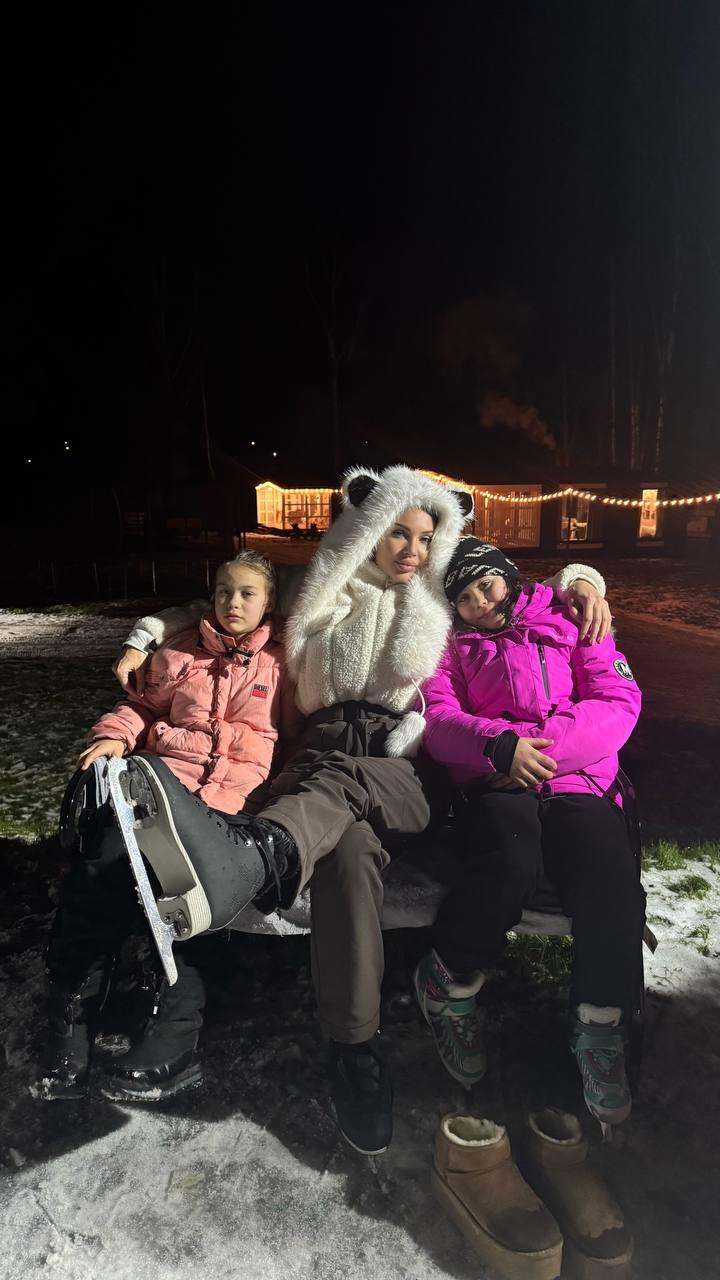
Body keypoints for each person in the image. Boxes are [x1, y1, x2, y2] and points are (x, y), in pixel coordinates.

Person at [109, 467, 611, 1154]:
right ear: (369, 529)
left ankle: (259, 853)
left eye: (425, 538)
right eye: (398, 533)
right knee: (347, 857)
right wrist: (145, 635)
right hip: (319, 754)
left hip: (405, 765)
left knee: (339, 793)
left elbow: (526, 590)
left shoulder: (442, 592)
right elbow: (224, 602)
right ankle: (355, 1050)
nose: (412, 550)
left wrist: (584, 577)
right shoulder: (323, 587)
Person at [43, 550, 298, 1101]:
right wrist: (114, 736)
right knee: (100, 870)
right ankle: (73, 1013)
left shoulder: (284, 665)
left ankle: (175, 1032)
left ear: (269, 603)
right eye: (224, 590)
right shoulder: (181, 653)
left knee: (187, 892)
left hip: (230, 803)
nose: (233, 602)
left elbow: (298, 738)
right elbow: (140, 708)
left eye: (247, 593)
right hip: (162, 790)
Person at [414, 538, 644, 1134]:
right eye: (464, 597)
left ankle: (599, 1028)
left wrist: (543, 751)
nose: (479, 602)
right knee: (508, 863)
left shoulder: (572, 617)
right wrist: (498, 745)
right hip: (498, 774)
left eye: (485, 584)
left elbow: (617, 699)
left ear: (509, 576)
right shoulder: (450, 646)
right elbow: (438, 717)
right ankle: (448, 981)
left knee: (611, 878)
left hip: (577, 777)